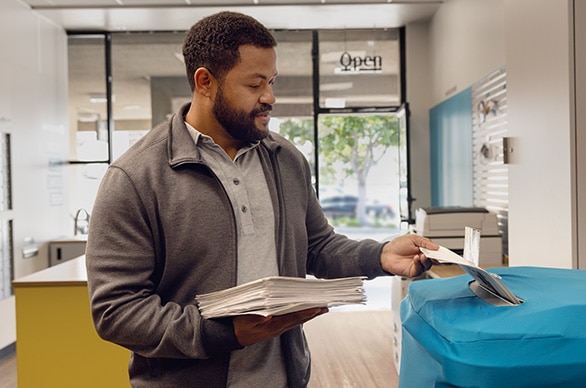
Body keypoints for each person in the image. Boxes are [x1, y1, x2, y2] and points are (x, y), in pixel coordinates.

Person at [85, 11, 439, 388]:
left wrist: (380, 255)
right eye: (254, 85)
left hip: (284, 378)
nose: (269, 97)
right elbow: (116, 310)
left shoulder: (285, 159)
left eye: (271, 82)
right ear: (205, 82)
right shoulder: (135, 178)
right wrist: (220, 332)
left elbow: (316, 246)